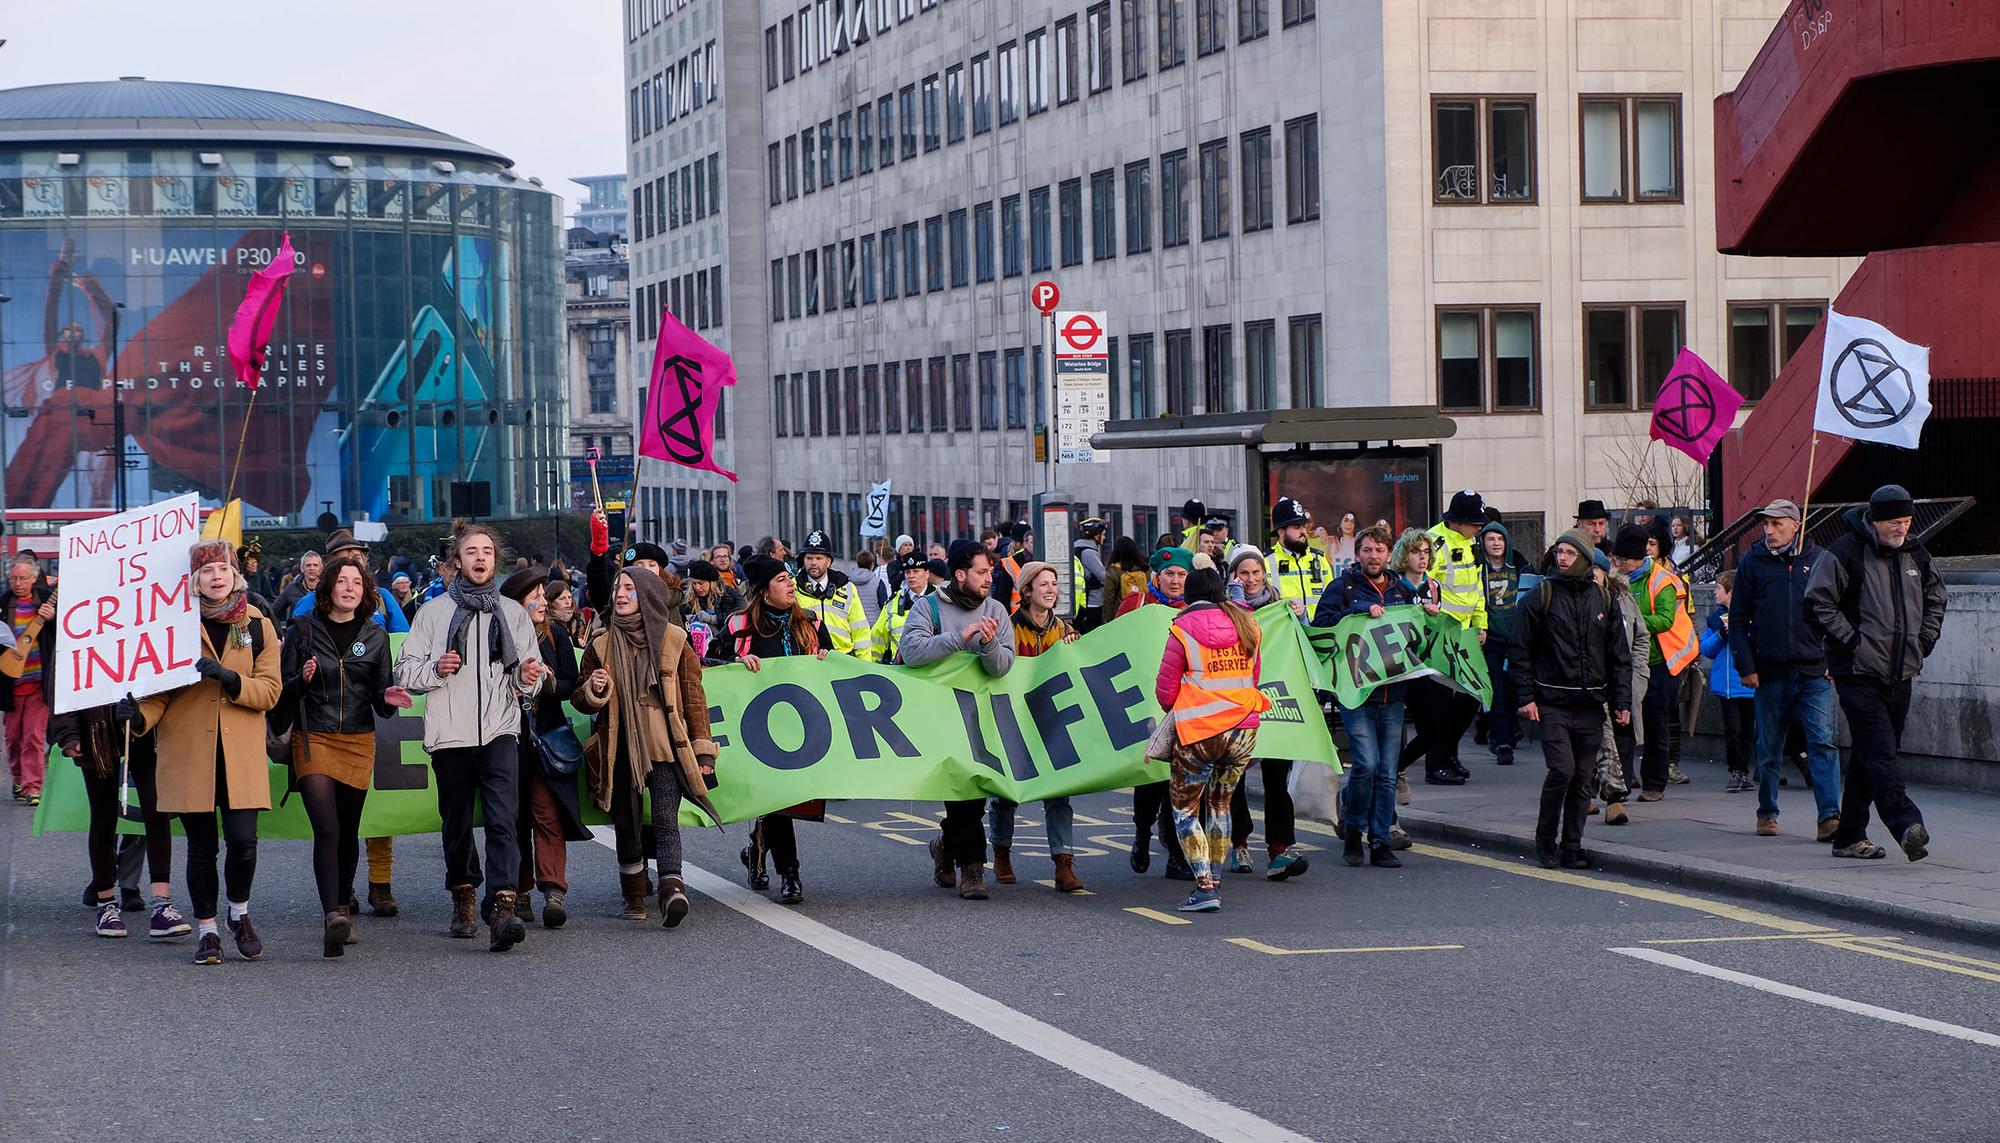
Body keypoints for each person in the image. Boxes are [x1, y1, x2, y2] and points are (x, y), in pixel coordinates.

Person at [395, 522, 549, 952]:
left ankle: (502, 906)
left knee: (503, 820)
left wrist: (529, 677)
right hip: (451, 734)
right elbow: (405, 671)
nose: (480, 558)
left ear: (494, 560)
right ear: (457, 562)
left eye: (487, 552)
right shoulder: (433, 613)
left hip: (499, 729)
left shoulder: (513, 613)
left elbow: (530, 674)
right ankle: (463, 894)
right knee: (457, 823)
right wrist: (435, 669)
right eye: (471, 552)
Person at [132, 540, 283, 965]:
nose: (216, 577)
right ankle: (208, 931)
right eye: (207, 571)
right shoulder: (173, 626)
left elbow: (270, 691)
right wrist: (137, 716)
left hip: (240, 754)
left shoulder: (258, 625)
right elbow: (157, 695)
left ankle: (239, 913)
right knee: (201, 848)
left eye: (223, 569)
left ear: (236, 575)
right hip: (189, 753)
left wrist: (231, 679)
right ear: (194, 581)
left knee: (243, 840)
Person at [1805, 485, 1947, 862]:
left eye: (1907, 521)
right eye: (1895, 522)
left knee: (1871, 752)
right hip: (1857, 672)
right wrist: (1852, 643)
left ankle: (1849, 835)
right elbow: (1817, 603)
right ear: (1876, 520)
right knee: (1880, 750)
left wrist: (1924, 641)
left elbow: (1936, 597)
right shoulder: (1845, 552)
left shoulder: (1916, 553)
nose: (1902, 528)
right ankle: (1906, 822)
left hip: (1901, 671)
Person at [282, 552, 414, 957]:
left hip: (358, 739)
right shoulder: (302, 630)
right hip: (313, 738)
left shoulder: (375, 636)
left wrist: (388, 699)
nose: (350, 589)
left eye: (357, 583)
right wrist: (302, 682)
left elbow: (379, 697)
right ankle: (331, 916)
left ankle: (342, 906)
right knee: (327, 828)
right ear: (327, 587)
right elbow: (281, 695)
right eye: (342, 581)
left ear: (366, 591)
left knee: (348, 829)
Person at [575, 567, 722, 925]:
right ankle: (634, 894)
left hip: (667, 746)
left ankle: (672, 889)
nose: (620, 595)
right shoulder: (600, 645)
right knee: (626, 822)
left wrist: (703, 750)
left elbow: (694, 697)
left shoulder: (674, 640)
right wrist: (594, 688)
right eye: (617, 588)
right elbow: (581, 700)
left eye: (629, 588)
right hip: (619, 748)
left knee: (665, 818)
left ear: (648, 596)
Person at [1509, 532, 1633, 869]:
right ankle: (1545, 840)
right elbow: (1520, 650)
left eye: (1570, 553)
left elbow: (1619, 657)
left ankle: (1572, 846)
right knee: (1562, 770)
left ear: (1585, 558)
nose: (1562, 558)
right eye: (1559, 552)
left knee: (1582, 778)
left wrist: (1622, 703)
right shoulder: (1541, 595)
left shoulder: (1603, 599)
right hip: (1552, 702)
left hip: (1591, 704)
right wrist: (1526, 697)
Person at [902, 539, 1017, 900]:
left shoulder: (996, 610)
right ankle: (972, 868)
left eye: (990, 572)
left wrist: (987, 644)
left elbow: (1003, 666)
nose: (989, 579)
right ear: (960, 574)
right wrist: (958, 638)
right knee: (962, 789)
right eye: (981, 572)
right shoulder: (927, 607)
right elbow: (912, 651)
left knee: (975, 792)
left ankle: (944, 846)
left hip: (983, 716)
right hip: (942, 715)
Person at [1154, 566, 1272, 913]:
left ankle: (1204, 886)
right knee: (1221, 804)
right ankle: (1216, 878)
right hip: (1243, 729)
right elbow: (1254, 676)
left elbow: (1165, 691)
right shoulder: (1248, 625)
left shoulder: (1182, 629)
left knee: (1185, 810)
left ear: (1189, 596)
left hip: (1200, 731)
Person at [717, 556, 829, 903]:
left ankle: (756, 851)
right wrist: (735, 663)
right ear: (764, 591)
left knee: (785, 800)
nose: (791, 584)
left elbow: (832, 662)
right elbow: (708, 664)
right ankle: (790, 874)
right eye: (781, 580)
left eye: (789, 578)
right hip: (757, 730)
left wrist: (825, 659)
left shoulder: (810, 622)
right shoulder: (740, 626)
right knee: (778, 800)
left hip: (802, 727)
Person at [1728, 498, 1842, 840]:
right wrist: (1745, 665)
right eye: (1766, 524)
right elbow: (1738, 618)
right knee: (1769, 748)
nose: (1769, 530)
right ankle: (1767, 811)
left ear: (1796, 526)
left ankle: (1829, 817)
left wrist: (1833, 658)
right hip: (1770, 670)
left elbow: (1839, 611)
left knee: (1822, 743)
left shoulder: (1820, 560)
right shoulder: (1753, 562)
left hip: (1813, 670)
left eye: (1777, 524)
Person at [988, 561, 1086, 892]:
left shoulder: (1064, 630)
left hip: (1052, 721)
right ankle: (1001, 854)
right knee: (1006, 793)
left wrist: (1075, 649)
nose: (1051, 590)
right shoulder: (1009, 628)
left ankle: (1063, 863)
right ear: (1026, 591)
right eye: (1043, 584)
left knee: (1059, 793)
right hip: (1013, 720)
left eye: (1054, 584)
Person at [1318, 526, 1413, 868]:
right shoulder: (1342, 587)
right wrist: (1356, 612)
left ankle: (1380, 841)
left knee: (1387, 773)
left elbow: (1418, 634)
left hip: (1393, 693)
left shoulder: (1403, 589)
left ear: (1389, 555)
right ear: (1358, 553)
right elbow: (1322, 626)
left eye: (1380, 550)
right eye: (1368, 550)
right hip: (1356, 693)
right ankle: (1354, 831)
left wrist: (1430, 616)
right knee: (1366, 765)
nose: (1374, 556)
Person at [501, 568, 590, 928]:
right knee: (514, 818)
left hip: (548, 739)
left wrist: (551, 682)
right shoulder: (499, 636)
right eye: (534, 596)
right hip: (508, 740)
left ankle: (553, 891)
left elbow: (573, 682)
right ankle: (519, 890)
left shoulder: (556, 635)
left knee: (546, 814)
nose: (542, 602)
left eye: (542, 594)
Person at [1219, 549, 1308, 879]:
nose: (1251, 579)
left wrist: (1300, 617)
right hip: (1239, 704)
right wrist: (1235, 602)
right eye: (1244, 573)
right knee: (1236, 778)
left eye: (1256, 572)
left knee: (1276, 779)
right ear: (1233, 576)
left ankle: (1278, 849)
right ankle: (1240, 843)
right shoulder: (1225, 610)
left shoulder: (1279, 607)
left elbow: (1303, 644)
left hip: (1276, 701)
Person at [1116, 546, 1194, 880]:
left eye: (1181, 575)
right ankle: (1142, 835)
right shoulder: (1136, 604)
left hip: (1182, 703)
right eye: (1169, 574)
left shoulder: (1194, 608)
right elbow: (1112, 645)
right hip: (1142, 702)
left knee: (1177, 781)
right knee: (1148, 778)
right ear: (1157, 577)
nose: (1175, 581)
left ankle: (1176, 855)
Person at [1609, 523, 1696, 802]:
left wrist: (1629, 622)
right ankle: (1622, 779)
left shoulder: (1662, 580)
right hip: (1626, 662)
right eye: (1616, 558)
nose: (1618, 564)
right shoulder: (1615, 579)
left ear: (1639, 557)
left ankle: (1654, 783)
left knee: (1656, 723)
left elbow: (1665, 620)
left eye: (1623, 559)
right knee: (1623, 721)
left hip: (1659, 663)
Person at [1417, 491, 1489, 781]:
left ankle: (1449, 753)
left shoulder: (1471, 543)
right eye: (1475, 523)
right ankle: (1437, 764)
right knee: (1444, 704)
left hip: (1466, 636)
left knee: (1471, 699)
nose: (1479, 528)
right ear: (1458, 521)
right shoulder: (1433, 543)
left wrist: (1480, 624)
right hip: (1440, 637)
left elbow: (1476, 589)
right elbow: (1423, 586)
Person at [1391, 529, 1459, 786]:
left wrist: (1435, 615)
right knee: (1401, 725)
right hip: (1400, 663)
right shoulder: (1394, 584)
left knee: (1436, 726)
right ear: (1404, 555)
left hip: (1428, 663)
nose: (1422, 557)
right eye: (1415, 552)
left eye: (1426, 552)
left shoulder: (1433, 586)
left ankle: (1397, 768)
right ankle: (1391, 772)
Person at [5, 553, 56, 805]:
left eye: (23, 578)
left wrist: (53, 618)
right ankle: (18, 777)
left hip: (38, 682)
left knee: (34, 737)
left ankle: (33, 786)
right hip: (10, 682)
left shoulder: (48, 600)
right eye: (14, 578)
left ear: (34, 577)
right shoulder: (3, 604)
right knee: (13, 738)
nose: (18, 583)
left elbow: (68, 633)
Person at [1701, 570, 1758, 795]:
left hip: (1748, 683)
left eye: (1718, 588)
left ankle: (1744, 770)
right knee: (1733, 730)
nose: (1715, 592)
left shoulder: (1752, 615)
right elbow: (1705, 648)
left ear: (1731, 593)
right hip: (1726, 685)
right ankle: (1735, 770)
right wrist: (1721, 635)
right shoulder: (1715, 619)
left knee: (1747, 731)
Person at [1477, 520, 1525, 765]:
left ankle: (1511, 730)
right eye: (1490, 539)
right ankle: (1502, 741)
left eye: (1500, 538)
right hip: (1491, 638)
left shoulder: (1518, 565)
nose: (1496, 543)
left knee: (1515, 687)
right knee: (1497, 691)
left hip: (1516, 637)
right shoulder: (1477, 568)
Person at [796, 529, 874, 658]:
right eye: (809, 558)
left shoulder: (847, 588)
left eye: (819, 558)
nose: (813, 563)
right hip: (808, 660)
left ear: (829, 561)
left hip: (843, 659)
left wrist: (865, 664)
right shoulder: (793, 588)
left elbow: (860, 631)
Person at [1267, 497, 1334, 618]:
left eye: (1304, 526)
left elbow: (1332, 599)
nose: (1303, 531)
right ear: (1281, 532)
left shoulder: (1319, 559)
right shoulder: (1265, 561)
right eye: (1297, 527)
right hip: (1286, 628)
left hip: (1318, 628)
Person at [870, 552, 940, 664]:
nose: (911, 576)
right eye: (907, 572)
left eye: (916, 571)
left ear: (927, 573)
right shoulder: (894, 602)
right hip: (899, 668)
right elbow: (877, 638)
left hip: (933, 668)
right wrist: (872, 666)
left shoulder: (940, 598)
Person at [1071, 517, 1110, 634]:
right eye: (1103, 534)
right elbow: (1104, 577)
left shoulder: (1077, 549)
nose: (1104, 537)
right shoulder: (1089, 553)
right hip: (1093, 602)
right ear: (1095, 535)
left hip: (1081, 602)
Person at [1101, 536, 1150, 628]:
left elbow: (1109, 599)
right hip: (1142, 613)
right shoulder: (1145, 569)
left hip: (1120, 616)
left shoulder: (1113, 570)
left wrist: (1107, 622)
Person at [273, 550, 322, 627]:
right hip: (297, 632)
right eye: (308, 565)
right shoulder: (292, 588)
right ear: (302, 568)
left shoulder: (327, 588)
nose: (312, 568)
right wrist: (279, 632)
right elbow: (273, 612)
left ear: (320, 568)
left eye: (315, 565)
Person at [850, 549, 892, 626]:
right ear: (872, 565)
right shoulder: (878, 582)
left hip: (855, 624)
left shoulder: (849, 582)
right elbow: (884, 605)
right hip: (874, 624)